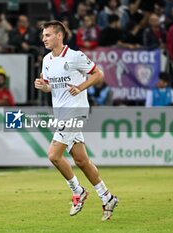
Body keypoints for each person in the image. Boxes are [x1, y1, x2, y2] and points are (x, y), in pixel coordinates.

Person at [34, 20, 118, 220]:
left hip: (76, 111)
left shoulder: (75, 56)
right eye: (43, 35)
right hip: (61, 114)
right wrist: (42, 86)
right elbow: (49, 86)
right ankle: (107, 197)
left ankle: (77, 191)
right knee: (81, 160)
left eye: (47, 35)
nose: (43, 38)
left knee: (53, 155)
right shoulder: (46, 60)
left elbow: (99, 74)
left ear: (59, 35)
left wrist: (80, 87)